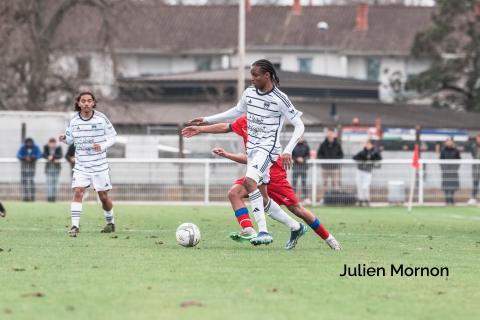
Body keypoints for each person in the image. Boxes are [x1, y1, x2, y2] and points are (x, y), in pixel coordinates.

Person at [187, 59, 305, 246]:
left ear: (267, 75)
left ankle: (263, 232)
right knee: (264, 199)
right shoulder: (250, 92)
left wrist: (288, 150)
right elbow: (236, 110)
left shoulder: (280, 98)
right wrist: (206, 119)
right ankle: (295, 227)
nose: (252, 79)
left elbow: (299, 125)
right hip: (253, 150)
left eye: (255, 75)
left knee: (250, 182)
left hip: (269, 150)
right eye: (251, 75)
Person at [182, 116, 341, 250]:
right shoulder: (245, 120)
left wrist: (228, 155)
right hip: (255, 173)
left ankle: (328, 238)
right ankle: (249, 229)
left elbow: (257, 157)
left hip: (274, 174)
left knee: (297, 209)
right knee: (234, 193)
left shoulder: (267, 125)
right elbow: (226, 127)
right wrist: (201, 129)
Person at [59, 91, 117, 237]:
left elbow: (112, 137)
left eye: (89, 101)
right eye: (83, 101)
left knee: (103, 197)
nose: (86, 103)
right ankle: (74, 226)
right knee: (78, 191)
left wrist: (102, 146)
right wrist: (64, 139)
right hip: (81, 165)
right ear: (78, 103)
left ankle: (110, 222)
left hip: (100, 165)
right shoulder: (73, 120)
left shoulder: (101, 118)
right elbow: (70, 139)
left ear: (93, 103)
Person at [353, 140, 382, 206]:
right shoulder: (362, 152)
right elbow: (355, 157)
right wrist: (362, 160)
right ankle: (360, 199)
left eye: (369, 144)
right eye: (367, 144)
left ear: (372, 145)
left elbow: (379, 158)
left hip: (368, 171)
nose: (368, 146)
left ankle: (366, 199)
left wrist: (373, 157)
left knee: (365, 186)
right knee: (359, 185)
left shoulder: (375, 152)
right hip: (360, 170)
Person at [16, 137, 42, 201]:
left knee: (31, 181)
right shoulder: (22, 147)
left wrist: (33, 157)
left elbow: (40, 154)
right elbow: (18, 155)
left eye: (30, 143)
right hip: (24, 167)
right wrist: (24, 158)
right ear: (26, 143)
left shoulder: (36, 147)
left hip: (32, 167)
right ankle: (26, 197)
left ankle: (32, 197)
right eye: (28, 143)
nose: (29, 144)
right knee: (24, 181)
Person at [440, 138, 461, 205]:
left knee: (453, 186)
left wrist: (455, 169)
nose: (449, 143)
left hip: (453, 171)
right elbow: (440, 160)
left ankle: (451, 199)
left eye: (450, 142)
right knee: (446, 186)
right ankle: (447, 200)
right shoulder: (443, 151)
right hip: (445, 171)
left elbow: (459, 160)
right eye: (448, 142)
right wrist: (444, 169)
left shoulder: (456, 151)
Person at [43, 138, 63, 202]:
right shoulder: (45, 147)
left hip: (56, 168)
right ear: (48, 143)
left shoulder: (58, 148)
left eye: (53, 143)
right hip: (49, 168)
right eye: (51, 143)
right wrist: (49, 157)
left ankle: (54, 197)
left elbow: (60, 155)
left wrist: (52, 157)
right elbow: (44, 155)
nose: (52, 145)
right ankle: (49, 197)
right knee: (49, 183)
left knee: (55, 183)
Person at [291, 137, 310, 202]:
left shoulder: (306, 146)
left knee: (304, 182)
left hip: (303, 167)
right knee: (294, 182)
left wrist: (303, 159)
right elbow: (291, 155)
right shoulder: (293, 145)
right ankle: (293, 198)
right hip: (295, 166)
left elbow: (308, 155)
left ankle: (306, 198)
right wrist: (297, 159)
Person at [467, 134, 480, 205]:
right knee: (475, 182)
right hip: (476, 167)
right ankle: (473, 198)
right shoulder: (474, 146)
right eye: (478, 138)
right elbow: (472, 153)